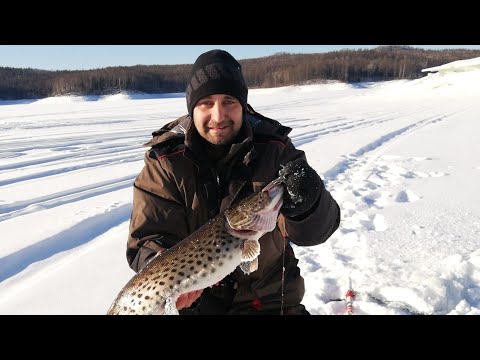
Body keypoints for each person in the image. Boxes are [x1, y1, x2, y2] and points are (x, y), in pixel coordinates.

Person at [126, 49, 341, 315]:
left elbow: (316, 233)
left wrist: (309, 205)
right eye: (206, 103)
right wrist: (161, 267)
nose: (218, 116)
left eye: (229, 101)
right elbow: (148, 238)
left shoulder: (275, 149)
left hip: (268, 302)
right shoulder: (165, 161)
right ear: (192, 107)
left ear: (243, 104)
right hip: (193, 306)